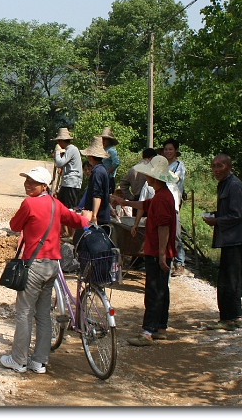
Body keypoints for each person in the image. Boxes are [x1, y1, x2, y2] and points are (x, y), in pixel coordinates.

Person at [1, 166, 89, 374]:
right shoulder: (55, 204)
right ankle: (39, 361)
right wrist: (88, 222)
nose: (27, 184)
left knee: (24, 313)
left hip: (34, 264)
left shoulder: (29, 203)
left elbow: (14, 225)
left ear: (44, 186)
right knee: (42, 314)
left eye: (32, 182)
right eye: (27, 180)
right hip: (53, 265)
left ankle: (19, 360)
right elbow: (75, 219)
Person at [110, 155, 179, 346]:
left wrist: (163, 254)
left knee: (153, 291)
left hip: (157, 252)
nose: (146, 178)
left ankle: (148, 331)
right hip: (159, 251)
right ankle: (160, 327)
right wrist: (123, 202)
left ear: (154, 178)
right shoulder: (160, 196)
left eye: (148, 175)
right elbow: (144, 205)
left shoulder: (162, 198)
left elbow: (164, 227)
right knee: (161, 289)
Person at [203, 154, 242, 332]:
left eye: (220, 166)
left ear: (229, 167)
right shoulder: (224, 184)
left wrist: (217, 221)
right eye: (214, 166)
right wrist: (216, 214)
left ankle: (233, 318)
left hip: (237, 239)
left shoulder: (234, 185)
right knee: (224, 278)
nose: (216, 169)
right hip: (229, 239)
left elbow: (238, 214)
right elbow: (229, 211)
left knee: (231, 279)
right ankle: (227, 317)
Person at [162, 139, 187, 277]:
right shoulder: (163, 165)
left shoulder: (179, 166)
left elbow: (173, 180)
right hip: (161, 202)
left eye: (170, 149)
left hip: (173, 202)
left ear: (176, 150)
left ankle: (179, 262)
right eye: (166, 149)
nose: (168, 152)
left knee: (175, 233)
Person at [79, 136, 111, 226]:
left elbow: (97, 195)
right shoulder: (103, 170)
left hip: (98, 216)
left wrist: (94, 216)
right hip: (102, 214)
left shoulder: (97, 172)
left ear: (90, 157)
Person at [52, 128, 83, 211]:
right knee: (61, 206)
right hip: (67, 183)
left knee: (69, 208)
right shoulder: (69, 150)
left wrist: (57, 152)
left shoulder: (72, 149)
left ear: (61, 141)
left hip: (71, 183)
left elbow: (59, 163)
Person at [100, 127, 120, 194]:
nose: (103, 141)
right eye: (103, 139)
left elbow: (116, 162)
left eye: (105, 139)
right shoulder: (104, 150)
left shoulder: (111, 150)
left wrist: (108, 172)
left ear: (109, 140)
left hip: (109, 178)